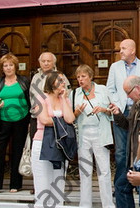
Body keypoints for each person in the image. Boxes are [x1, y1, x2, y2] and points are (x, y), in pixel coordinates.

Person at [0, 53, 30, 195]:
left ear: (16, 66)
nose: (8, 68)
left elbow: (31, 100)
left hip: (22, 119)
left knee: (18, 151)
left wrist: (31, 121)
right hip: (2, 121)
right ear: (2, 68)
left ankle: (16, 184)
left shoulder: (24, 81)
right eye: (5, 65)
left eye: (10, 65)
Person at [110, 75, 140, 208]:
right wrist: (118, 114)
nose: (127, 97)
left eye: (128, 92)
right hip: (135, 159)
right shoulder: (137, 103)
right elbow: (130, 127)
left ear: (137, 88)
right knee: (121, 186)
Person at [72, 64, 115, 208]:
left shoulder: (103, 90)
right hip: (83, 135)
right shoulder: (75, 93)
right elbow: (71, 117)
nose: (80, 79)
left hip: (100, 133)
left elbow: (112, 110)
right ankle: (84, 205)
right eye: (78, 77)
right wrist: (77, 112)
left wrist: (104, 109)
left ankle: (108, 204)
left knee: (104, 170)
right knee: (85, 171)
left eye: (83, 76)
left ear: (90, 76)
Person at [33, 71, 75, 208]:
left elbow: (70, 118)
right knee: (42, 182)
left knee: (58, 182)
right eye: (61, 81)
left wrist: (63, 99)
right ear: (52, 83)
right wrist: (60, 121)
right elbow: (44, 119)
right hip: (42, 142)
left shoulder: (65, 99)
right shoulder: (40, 98)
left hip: (60, 144)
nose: (64, 84)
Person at [29, 52, 70, 141]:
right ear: (40, 62)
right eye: (43, 61)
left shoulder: (61, 76)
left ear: (53, 63)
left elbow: (67, 95)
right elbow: (32, 97)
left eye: (48, 61)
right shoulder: (36, 77)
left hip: (56, 118)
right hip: (37, 118)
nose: (46, 63)